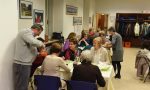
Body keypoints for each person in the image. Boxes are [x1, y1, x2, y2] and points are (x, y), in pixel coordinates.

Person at [13, 24, 45, 90]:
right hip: (22, 64)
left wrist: (38, 53)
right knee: (22, 86)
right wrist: (42, 44)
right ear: (36, 29)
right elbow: (34, 42)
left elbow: (30, 48)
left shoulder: (29, 35)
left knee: (23, 85)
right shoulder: (26, 32)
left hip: (24, 64)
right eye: (39, 33)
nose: (38, 35)